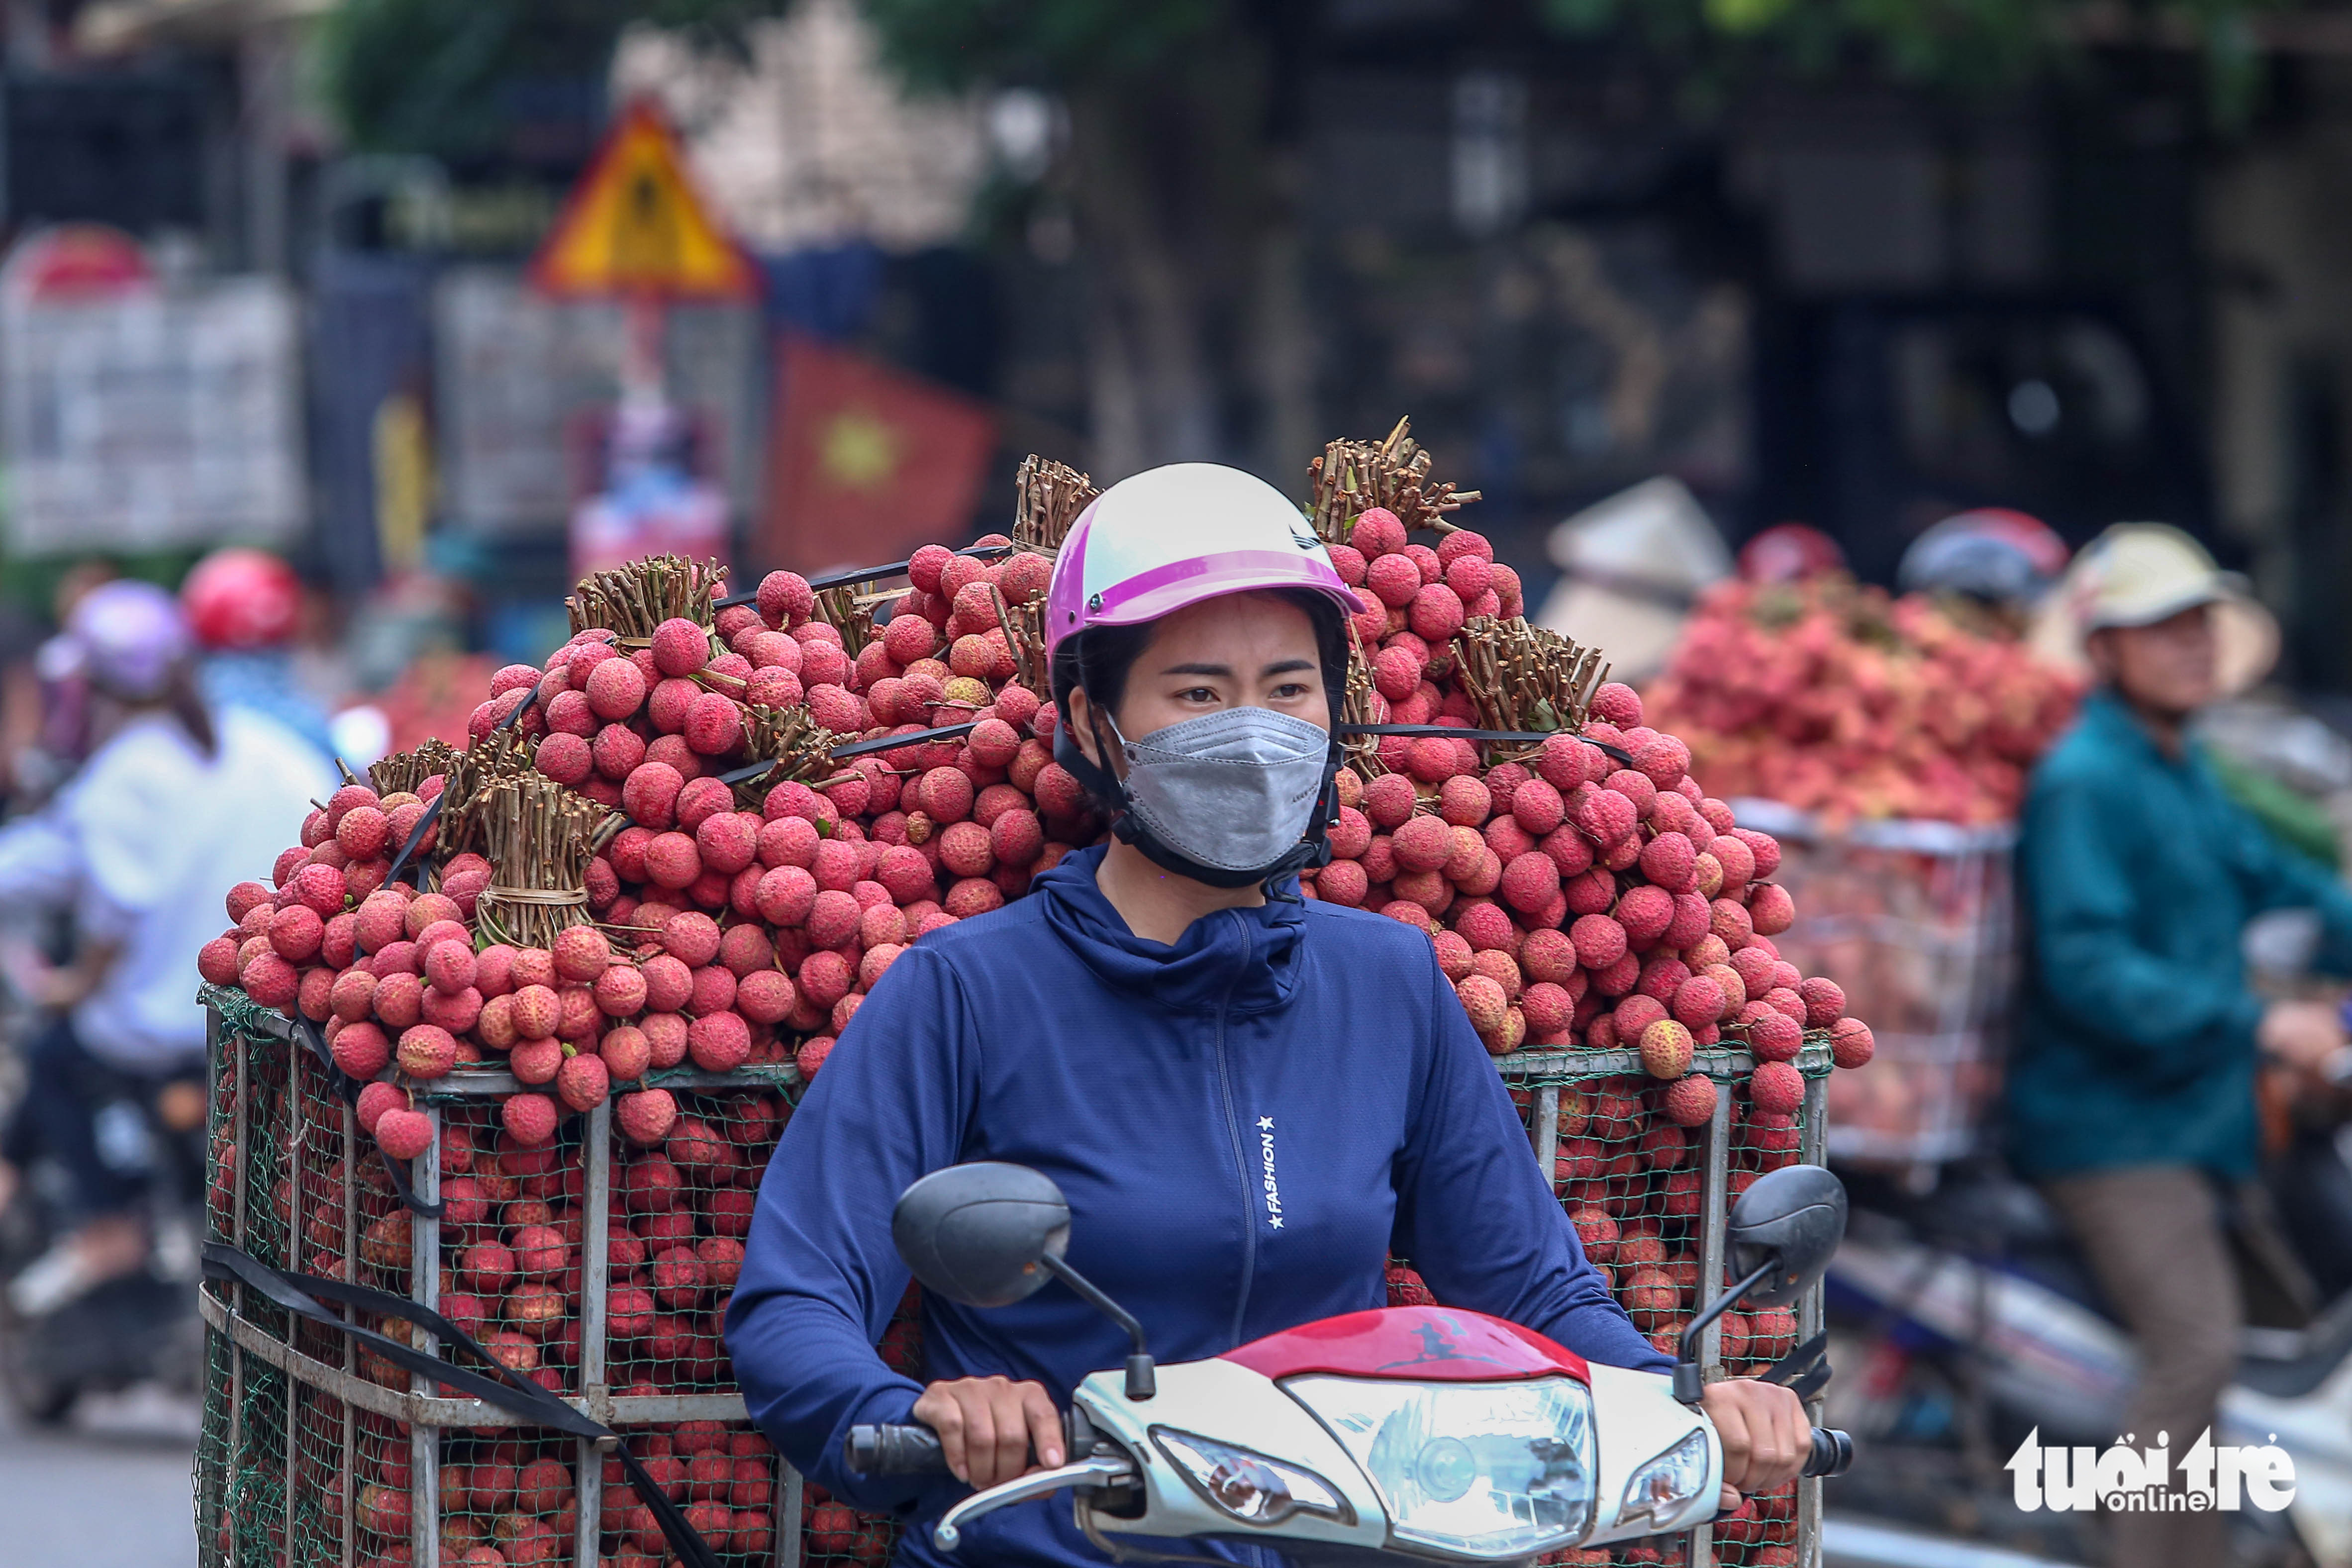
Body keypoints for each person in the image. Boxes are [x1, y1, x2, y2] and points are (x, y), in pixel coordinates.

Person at [726, 463, 1810, 1568]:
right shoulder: (965, 992)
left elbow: (1531, 1285)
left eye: (1289, 689)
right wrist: (919, 1416)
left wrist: (1681, 1396)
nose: (1253, 733)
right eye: (1198, 694)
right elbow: (796, 1308)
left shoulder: (1389, 983)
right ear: (1093, 723)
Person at [2009, 523, 2352, 1568]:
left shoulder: (2186, 764)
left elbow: (2285, 885)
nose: (2193, 643)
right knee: (2196, 1351)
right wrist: (2262, 1021)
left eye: (2201, 622)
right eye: (2163, 627)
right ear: (2104, 649)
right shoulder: (2084, 780)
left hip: (2202, 1114)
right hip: (2114, 1132)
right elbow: (2089, 967)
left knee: (2281, 1326)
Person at [0, 580, 330, 1312]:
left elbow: (113, 908)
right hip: (268, 1011)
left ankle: (109, 1224)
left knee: (52, 1059)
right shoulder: (266, 745)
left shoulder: (120, 777)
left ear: (92, 687)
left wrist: (78, 983)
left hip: (162, 1027)